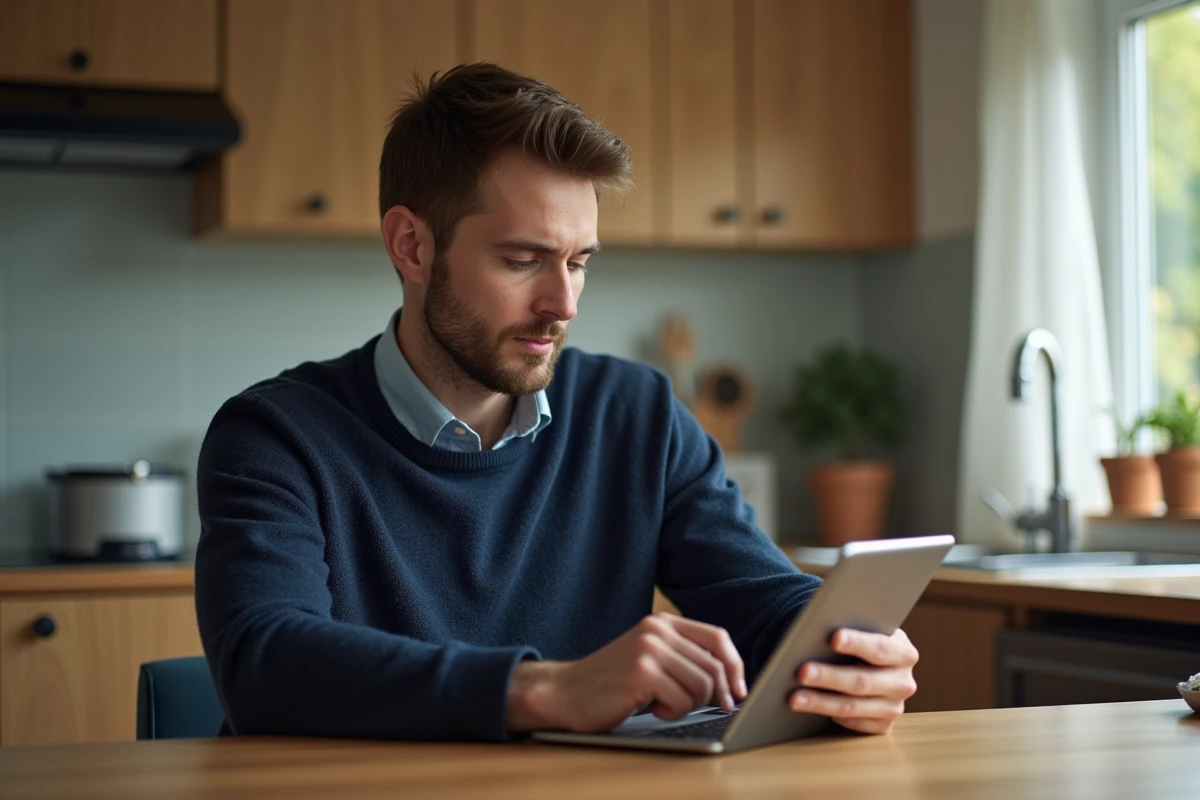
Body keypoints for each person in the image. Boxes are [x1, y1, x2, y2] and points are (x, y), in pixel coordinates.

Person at [194, 62, 918, 742]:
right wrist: (543, 690)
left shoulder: (636, 414)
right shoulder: (276, 434)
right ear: (411, 247)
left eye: (579, 262)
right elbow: (266, 662)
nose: (562, 303)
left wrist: (846, 652)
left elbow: (762, 599)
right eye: (523, 260)